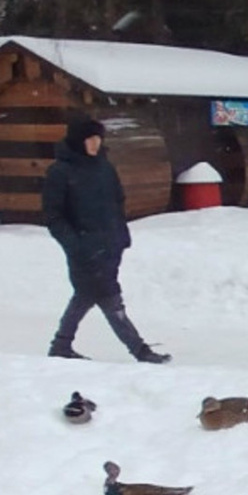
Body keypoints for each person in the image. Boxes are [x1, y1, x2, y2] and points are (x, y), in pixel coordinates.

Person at [43, 114, 170, 363]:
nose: (95, 143)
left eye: (98, 138)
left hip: (111, 246)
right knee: (109, 299)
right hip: (83, 249)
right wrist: (76, 245)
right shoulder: (60, 172)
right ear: (78, 141)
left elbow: (117, 202)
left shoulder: (104, 168)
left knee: (86, 296)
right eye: (90, 139)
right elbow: (54, 216)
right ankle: (140, 350)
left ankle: (61, 345)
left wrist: (121, 236)